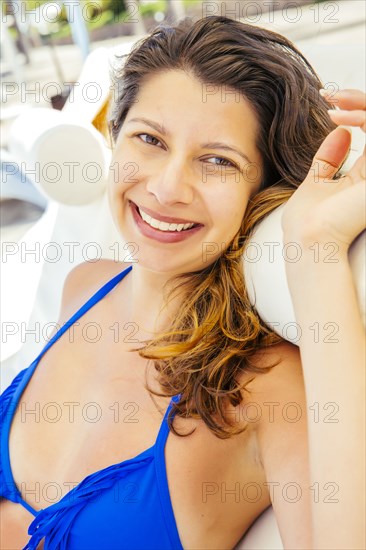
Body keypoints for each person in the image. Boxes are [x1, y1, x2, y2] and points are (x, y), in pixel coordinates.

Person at [0, 15, 364, 550]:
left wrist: (316, 246)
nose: (168, 188)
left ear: (263, 191)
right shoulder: (85, 285)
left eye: (218, 160)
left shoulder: (262, 386)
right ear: (116, 138)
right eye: (149, 138)